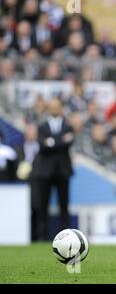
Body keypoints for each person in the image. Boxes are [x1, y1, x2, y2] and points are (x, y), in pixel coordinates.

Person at [30, 97, 74, 241]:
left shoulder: (68, 126)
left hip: (63, 171)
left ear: (61, 108)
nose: (55, 109)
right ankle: (42, 237)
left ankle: (65, 238)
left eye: (57, 106)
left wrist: (52, 141)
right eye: (52, 106)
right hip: (45, 172)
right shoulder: (42, 126)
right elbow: (43, 145)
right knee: (43, 206)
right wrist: (61, 140)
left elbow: (69, 142)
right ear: (49, 108)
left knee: (64, 206)